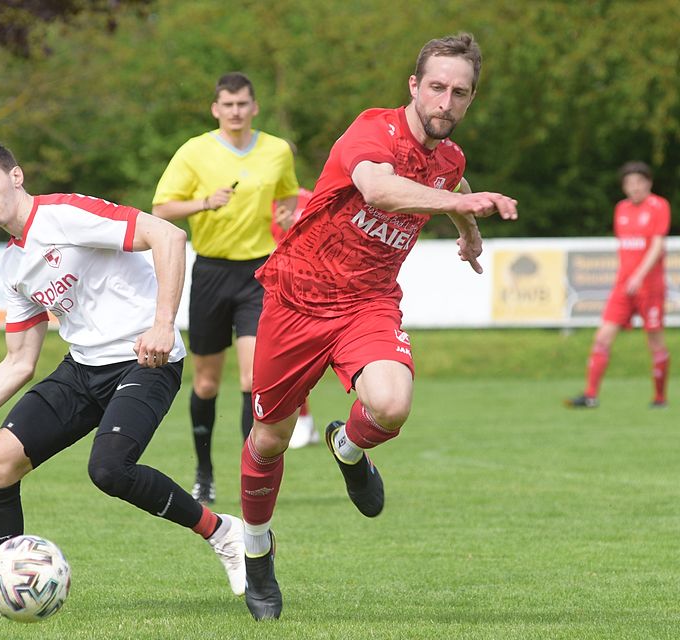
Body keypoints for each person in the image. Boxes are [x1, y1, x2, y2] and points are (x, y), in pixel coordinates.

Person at [0, 141, 245, 617]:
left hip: (146, 361)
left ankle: (223, 532)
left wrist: (163, 323)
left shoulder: (64, 214)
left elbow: (168, 236)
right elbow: (19, 362)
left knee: (109, 469)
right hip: (83, 369)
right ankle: (8, 594)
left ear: (15, 177)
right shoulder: (12, 266)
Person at [237, 33, 518, 620]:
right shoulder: (373, 130)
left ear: (470, 100)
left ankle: (347, 446)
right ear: (414, 87)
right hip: (296, 298)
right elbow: (379, 189)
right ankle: (257, 552)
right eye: (436, 87)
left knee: (391, 405)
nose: (446, 102)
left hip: (367, 302)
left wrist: (468, 233)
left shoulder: (450, 161)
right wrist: (461, 210)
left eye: (459, 93)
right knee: (269, 440)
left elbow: (454, 183)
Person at [152, 72, 300, 505]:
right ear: (216, 109)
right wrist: (203, 203)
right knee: (205, 383)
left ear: (254, 107)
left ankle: (248, 470)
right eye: (227, 105)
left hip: (259, 272)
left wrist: (288, 216)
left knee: (254, 378)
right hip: (212, 273)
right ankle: (204, 472)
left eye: (243, 104)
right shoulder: (195, 151)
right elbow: (161, 207)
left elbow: (289, 195)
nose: (235, 111)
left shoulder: (276, 150)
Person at [567, 161, 671, 409]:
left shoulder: (659, 206)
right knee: (602, 336)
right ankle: (590, 395)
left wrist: (639, 275)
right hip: (623, 287)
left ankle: (659, 398)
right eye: (629, 183)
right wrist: (628, 277)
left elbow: (657, 245)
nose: (634, 187)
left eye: (638, 182)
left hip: (650, 287)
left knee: (655, 340)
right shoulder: (621, 209)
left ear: (648, 183)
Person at [271, 186, 319, 449]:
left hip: (305, 292)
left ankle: (304, 421)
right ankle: (303, 421)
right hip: (270, 290)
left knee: (300, 361)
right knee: (282, 362)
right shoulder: (257, 202)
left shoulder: (308, 198)